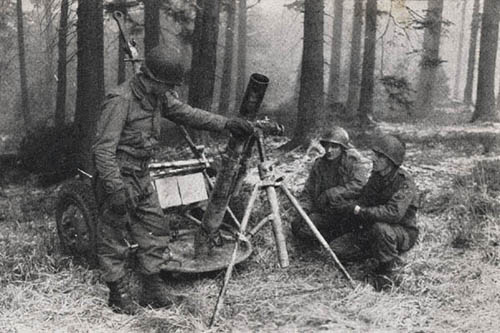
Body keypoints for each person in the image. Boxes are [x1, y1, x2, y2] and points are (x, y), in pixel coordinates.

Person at [92, 45, 254, 314]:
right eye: (167, 85)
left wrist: (227, 124)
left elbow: (188, 113)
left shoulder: (158, 97)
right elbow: (103, 149)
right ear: (152, 79)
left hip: (141, 176)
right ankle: (118, 293)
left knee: (155, 228)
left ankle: (152, 289)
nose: (170, 91)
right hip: (118, 177)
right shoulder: (121, 101)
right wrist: (114, 188)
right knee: (113, 235)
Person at [330, 134, 419, 291]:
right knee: (336, 249)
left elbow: (394, 213)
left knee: (381, 229)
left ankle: (386, 274)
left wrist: (361, 211)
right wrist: (348, 206)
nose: (373, 159)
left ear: (391, 161)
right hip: (374, 230)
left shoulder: (405, 182)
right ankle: (374, 256)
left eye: (379, 156)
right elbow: (365, 199)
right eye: (374, 154)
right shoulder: (376, 177)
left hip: (401, 231)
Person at [291, 126, 369, 244]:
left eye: (334, 146)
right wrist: (303, 211)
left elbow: (359, 185)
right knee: (299, 228)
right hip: (326, 213)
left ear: (342, 148)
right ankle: (329, 237)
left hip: (347, 213)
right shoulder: (319, 165)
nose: (329, 150)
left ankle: (337, 237)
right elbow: (308, 192)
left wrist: (331, 193)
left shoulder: (352, 162)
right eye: (326, 146)